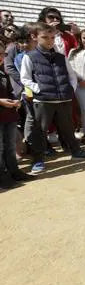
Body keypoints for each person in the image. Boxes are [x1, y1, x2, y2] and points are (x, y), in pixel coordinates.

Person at [20, 23, 85, 174]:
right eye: (45, 37)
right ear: (34, 37)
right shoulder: (29, 57)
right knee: (40, 131)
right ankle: (38, 160)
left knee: (68, 128)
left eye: (52, 37)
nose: (49, 40)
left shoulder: (61, 57)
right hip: (43, 101)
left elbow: (71, 75)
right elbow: (25, 78)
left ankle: (76, 151)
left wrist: (70, 89)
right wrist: (39, 89)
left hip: (63, 99)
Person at [0, 42, 35, 189]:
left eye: (3, 54)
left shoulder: (2, 73)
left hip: (8, 114)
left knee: (9, 146)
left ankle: (14, 171)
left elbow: (9, 91)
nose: (1, 57)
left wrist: (16, 100)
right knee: (0, 147)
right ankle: (2, 176)